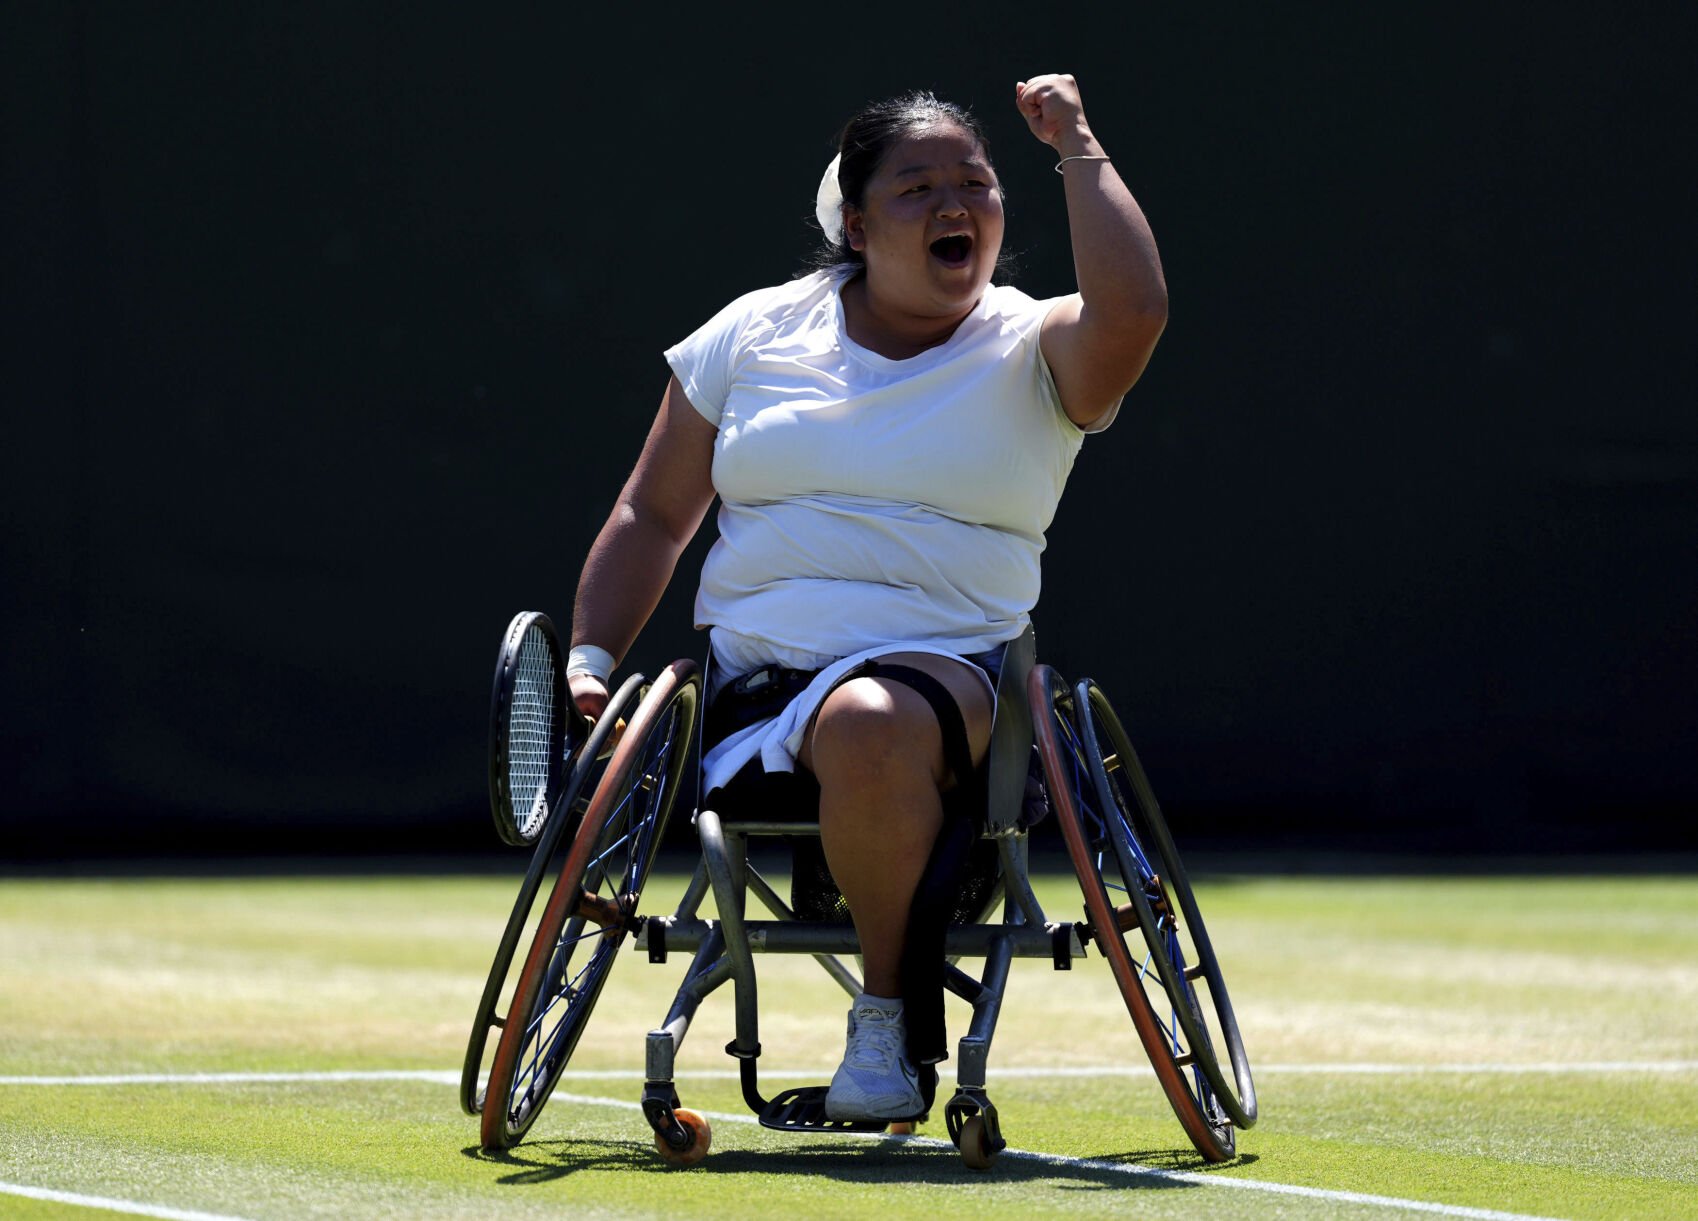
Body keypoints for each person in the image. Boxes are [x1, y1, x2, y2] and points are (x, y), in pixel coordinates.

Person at [564, 74, 1167, 1122]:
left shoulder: (1035, 344)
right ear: (854, 222)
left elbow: (1136, 312)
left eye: (975, 183)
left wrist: (1076, 143)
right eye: (917, 187)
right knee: (848, 717)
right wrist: (588, 661)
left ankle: (885, 1022)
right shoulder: (753, 333)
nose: (955, 205)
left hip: (954, 684)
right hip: (754, 695)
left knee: (868, 719)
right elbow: (652, 515)